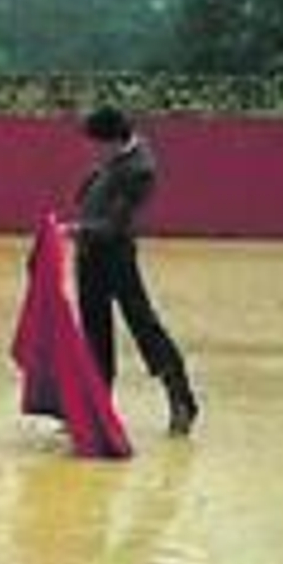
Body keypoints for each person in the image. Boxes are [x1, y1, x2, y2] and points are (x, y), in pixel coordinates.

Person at [64, 106, 199, 435]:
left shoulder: (140, 168)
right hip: (90, 255)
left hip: (116, 256)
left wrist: (77, 230)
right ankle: (97, 407)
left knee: (143, 326)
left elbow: (115, 225)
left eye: (97, 144)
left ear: (114, 140)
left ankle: (182, 401)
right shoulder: (118, 158)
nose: (92, 151)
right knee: (94, 332)